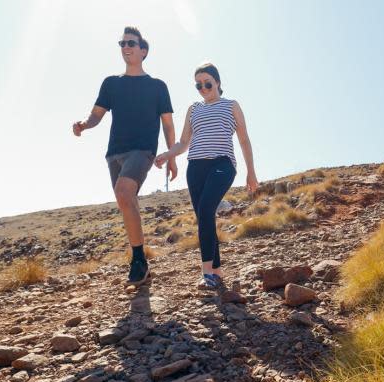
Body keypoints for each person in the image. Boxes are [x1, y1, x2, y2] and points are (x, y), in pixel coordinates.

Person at [72, 26, 176, 285]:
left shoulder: (157, 86)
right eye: (122, 43)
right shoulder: (111, 83)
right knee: (126, 201)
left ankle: (138, 259)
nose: (125, 47)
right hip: (115, 153)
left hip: (143, 150)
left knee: (123, 193)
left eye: (131, 43)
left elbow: (168, 124)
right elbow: (97, 114)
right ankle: (142, 262)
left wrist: (172, 155)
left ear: (143, 51)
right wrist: (85, 124)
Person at [156, 63, 258, 288]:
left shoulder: (231, 105)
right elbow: (183, 143)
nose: (203, 88)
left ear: (218, 83)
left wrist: (251, 172)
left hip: (223, 164)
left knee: (205, 209)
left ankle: (206, 273)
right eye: (198, 85)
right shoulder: (194, 109)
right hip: (195, 167)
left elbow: (244, 139)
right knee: (205, 217)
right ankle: (217, 272)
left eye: (207, 83)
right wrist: (167, 154)